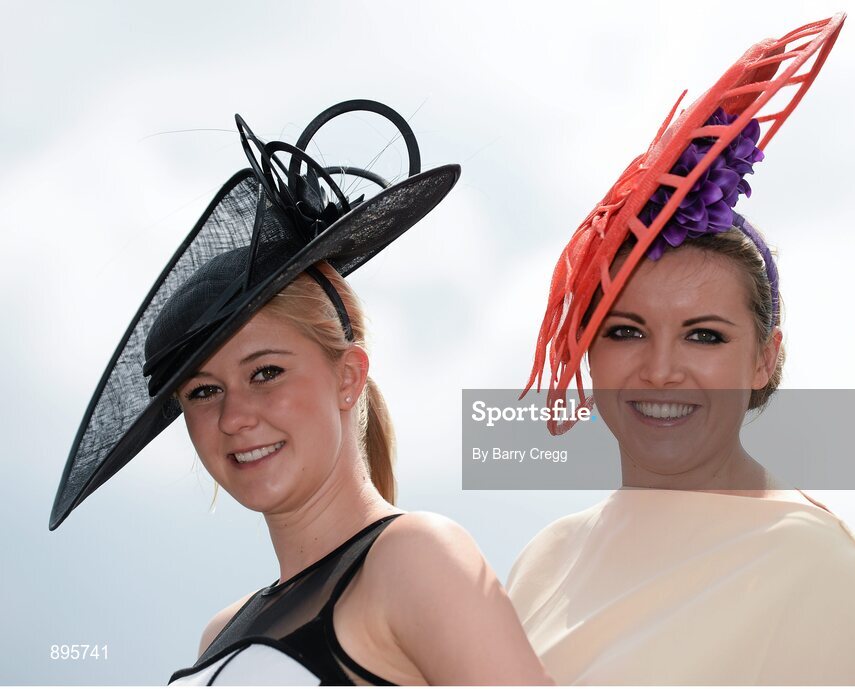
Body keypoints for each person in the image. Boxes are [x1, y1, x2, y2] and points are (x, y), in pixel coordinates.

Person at [507, 15, 855, 685]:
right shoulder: (541, 562)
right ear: (588, 348)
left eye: (705, 335)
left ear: (764, 357)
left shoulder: (816, 559)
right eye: (625, 330)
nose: (661, 369)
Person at [51, 100, 550, 685]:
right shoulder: (218, 633)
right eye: (203, 391)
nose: (234, 416)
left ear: (348, 376)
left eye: (266, 372)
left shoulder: (414, 559)